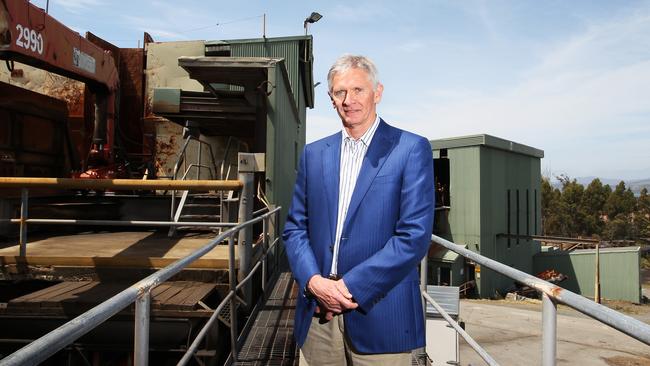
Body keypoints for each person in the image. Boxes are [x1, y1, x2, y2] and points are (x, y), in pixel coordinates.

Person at [283, 54, 435, 365]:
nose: (349, 100)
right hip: (318, 319)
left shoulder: (410, 149)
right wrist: (313, 281)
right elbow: (295, 227)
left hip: (382, 316)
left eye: (358, 90)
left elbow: (414, 237)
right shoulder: (314, 154)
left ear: (377, 92)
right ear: (331, 98)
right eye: (340, 92)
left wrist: (347, 289)